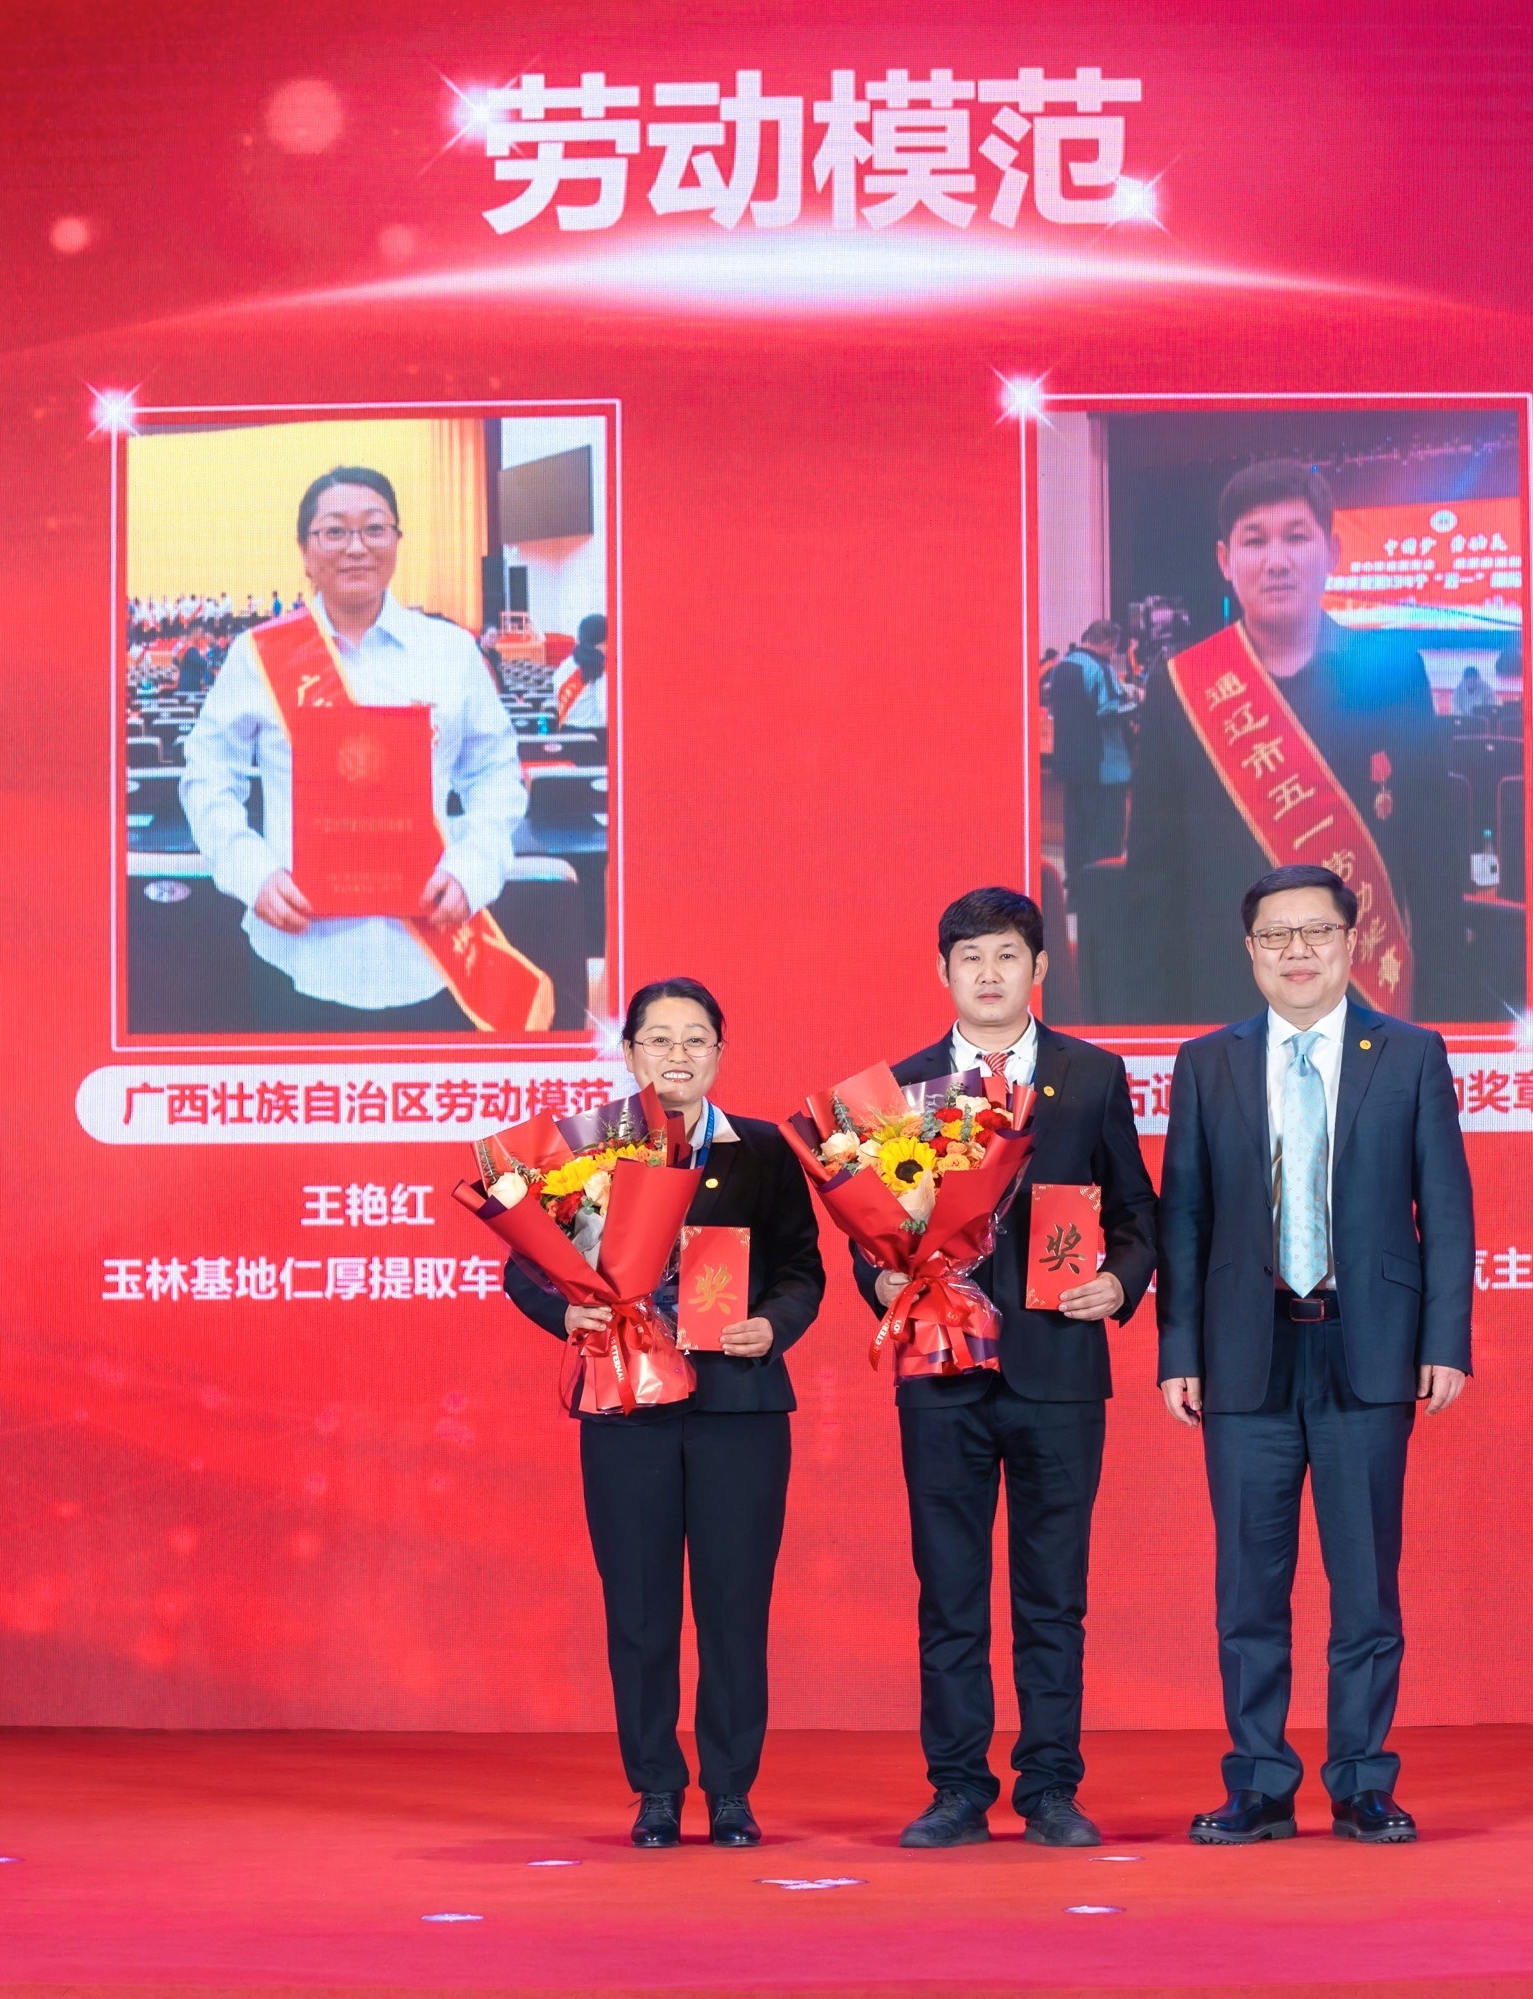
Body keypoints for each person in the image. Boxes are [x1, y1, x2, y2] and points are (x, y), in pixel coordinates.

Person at [1155, 863, 1474, 1847]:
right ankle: (1257, 1783)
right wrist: (1178, 1349)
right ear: (1249, 950)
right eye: (1274, 936)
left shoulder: (1410, 1053)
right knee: (1247, 1587)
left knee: (1365, 1584)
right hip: (1242, 1353)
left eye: (1314, 932)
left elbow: (1445, 1210)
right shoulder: (1205, 1063)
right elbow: (1182, 1219)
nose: (1295, 951)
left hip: (1366, 1347)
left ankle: (1361, 1781)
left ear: (1349, 940)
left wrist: (1443, 1341)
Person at [851, 888, 1158, 1849]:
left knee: (1051, 1595)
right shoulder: (899, 1089)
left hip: (1057, 1368)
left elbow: (1137, 1215)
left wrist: (1118, 1281)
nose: (988, 974)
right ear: (942, 972)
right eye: (970, 957)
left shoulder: (1090, 1075)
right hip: (940, 1373)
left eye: (1007, 956)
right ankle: (955, 1788)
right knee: (948, 1592)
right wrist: (883, 1282)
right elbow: (870, 1232)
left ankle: (1051, 1788)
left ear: (1039, 968)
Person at [499, 978, 826, 1850]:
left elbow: (802, 1267)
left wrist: (774, 1325)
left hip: (738, 1406)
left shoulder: (762, 1150)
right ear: (630, 1051)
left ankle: (730, 1790)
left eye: (694, 1039)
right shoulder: (585, 1152)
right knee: (639, 1608)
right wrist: (565, 1313)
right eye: (658, 1039)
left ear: (719, 1051)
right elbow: (523, 1264)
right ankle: (654, 1787)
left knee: (733, 1607)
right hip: (626, 1404)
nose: (677, 1055)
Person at [1123, 461, 1478, 1025]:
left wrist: (1441, 1017)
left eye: (1296, 537)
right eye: (1254, 541)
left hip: (1364, 1005)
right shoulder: (1181, 688)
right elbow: (1152, 876)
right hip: (1223, 1005)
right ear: (1225, 560)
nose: (1277, 560)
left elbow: (1432, 857)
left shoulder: (1392, 673)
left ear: (1332, 552)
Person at [179, 467, 531, 1032]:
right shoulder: (257, 655)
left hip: (429, 956)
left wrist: (474, 869)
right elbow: (207, 774)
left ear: (397, 541)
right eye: (334, 531)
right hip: (294, 954)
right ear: (305, 550)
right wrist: (250, 872)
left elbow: (495, 774)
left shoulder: (450, 652)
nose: (356, 547)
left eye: (374, 528)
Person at [1042, 619, 1136, 873]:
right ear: (1107, 643)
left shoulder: (1061, 667)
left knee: (1076, 833)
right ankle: (1101, 888)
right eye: (1114, 647)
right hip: (1105, 767)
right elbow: (1109, 712)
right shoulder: (1100, 669)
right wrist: (1137, 704)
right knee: (1105, 838)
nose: (1113, 653)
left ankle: (1075, 884)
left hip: (1072, 765)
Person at [554, 612, 610, 731]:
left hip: (565, 734)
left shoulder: (564, 666)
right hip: (596, 736)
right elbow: (607, 712)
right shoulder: (602, 669)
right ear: (602, 641)